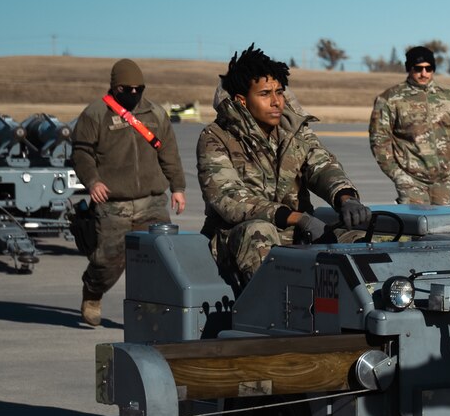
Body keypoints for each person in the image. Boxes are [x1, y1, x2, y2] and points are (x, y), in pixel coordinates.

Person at [197, 44, 371, 286]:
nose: (277, 102)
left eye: (279, 92)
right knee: (259, 232)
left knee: (361, 240)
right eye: (265, 94)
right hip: (237, 238)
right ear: (242, 101)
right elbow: (231, 200)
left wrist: (346, 197)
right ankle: (274, 318)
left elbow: (321, 165)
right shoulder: (216, 137)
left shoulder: (293, 130)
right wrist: (298, 218)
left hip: (299, 234)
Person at [70, 59, 187, 328]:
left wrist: (178, 188)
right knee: (107, 262)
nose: (133, 94)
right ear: (115, 87)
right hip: (113, 205)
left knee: (160, 259)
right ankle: (92, 293)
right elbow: (81, 153)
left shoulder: (155, 114)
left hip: (152, 202)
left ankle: (150, 313)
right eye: (127, 88)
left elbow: (169, 152)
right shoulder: (95, 114)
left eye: (139, 89)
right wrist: (93, 181)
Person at [368, 45, 450, 204]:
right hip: (410, 178)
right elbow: (379, 140)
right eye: (418, 69)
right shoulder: (390, 99)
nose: (424, 73)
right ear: (409, 68)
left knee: (444, 224)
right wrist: (397, 174)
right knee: (415, 225)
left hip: (444, 178)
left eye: (428, 69)